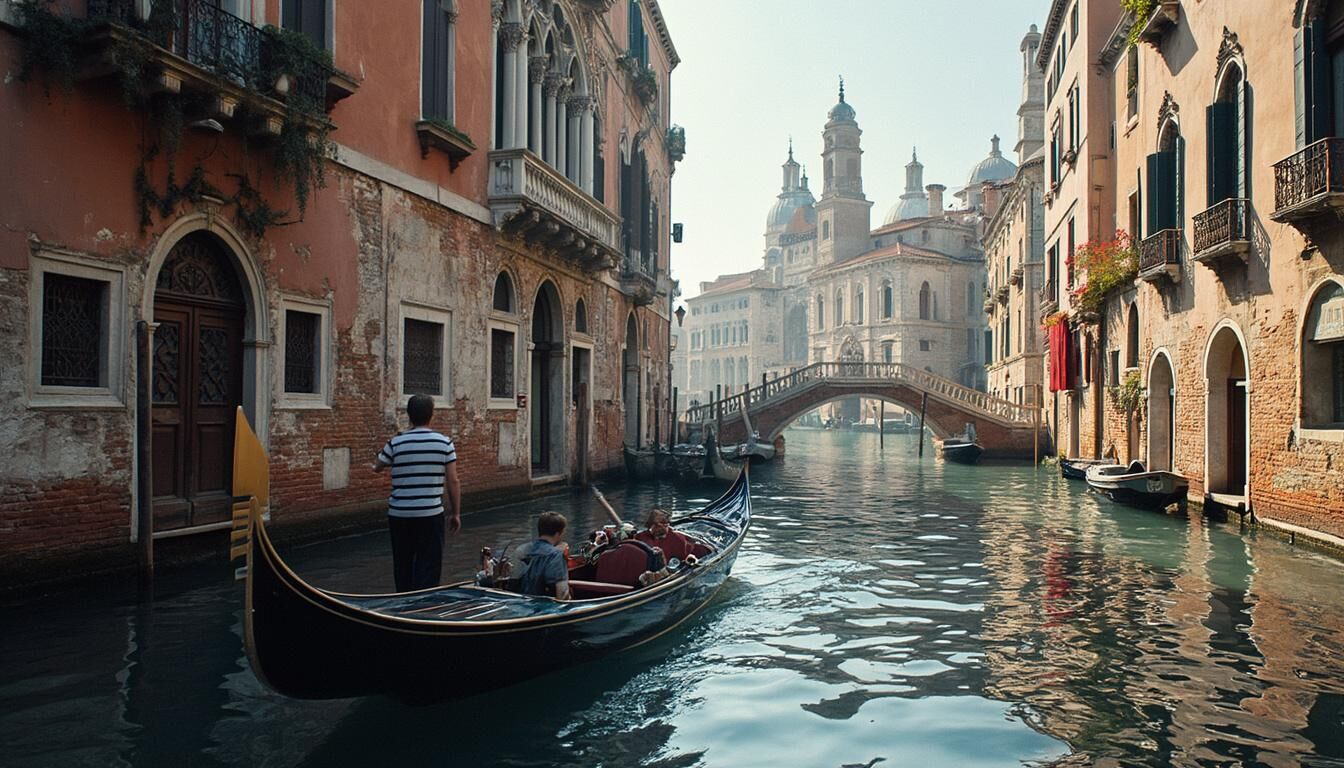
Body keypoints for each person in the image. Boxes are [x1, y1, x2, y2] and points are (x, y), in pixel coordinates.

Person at [373, 394, 461, 592]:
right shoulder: (444, 443)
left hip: (399, 515)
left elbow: (377, 467)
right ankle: (423, 608)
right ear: (431, 416)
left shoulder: (395, 442)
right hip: (430, 514)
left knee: (402, 563)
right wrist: (456, 514)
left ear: (409, 416)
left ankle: (403, 603)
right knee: (429, 566)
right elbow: (453, 481)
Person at [518, 511, 572, 600]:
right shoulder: (556, 555)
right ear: (558, 534)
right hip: (543, 608)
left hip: (520, 603)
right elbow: (562, 594)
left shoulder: (521, 550)